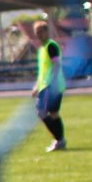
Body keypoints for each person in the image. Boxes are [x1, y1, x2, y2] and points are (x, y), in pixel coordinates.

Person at [31, 20, 67, 151]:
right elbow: (43, 70)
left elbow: (56, 64)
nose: (39, 35)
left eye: (41, 32)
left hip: (52, 85)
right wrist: (36, 86)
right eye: (37, 33)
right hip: (45, 85)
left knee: (43, 111)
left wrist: (54, 82)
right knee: (52, 113)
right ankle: (60, 140)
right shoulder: (42, 49)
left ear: (47, 32)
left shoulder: (51, 46)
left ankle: (60, 140)